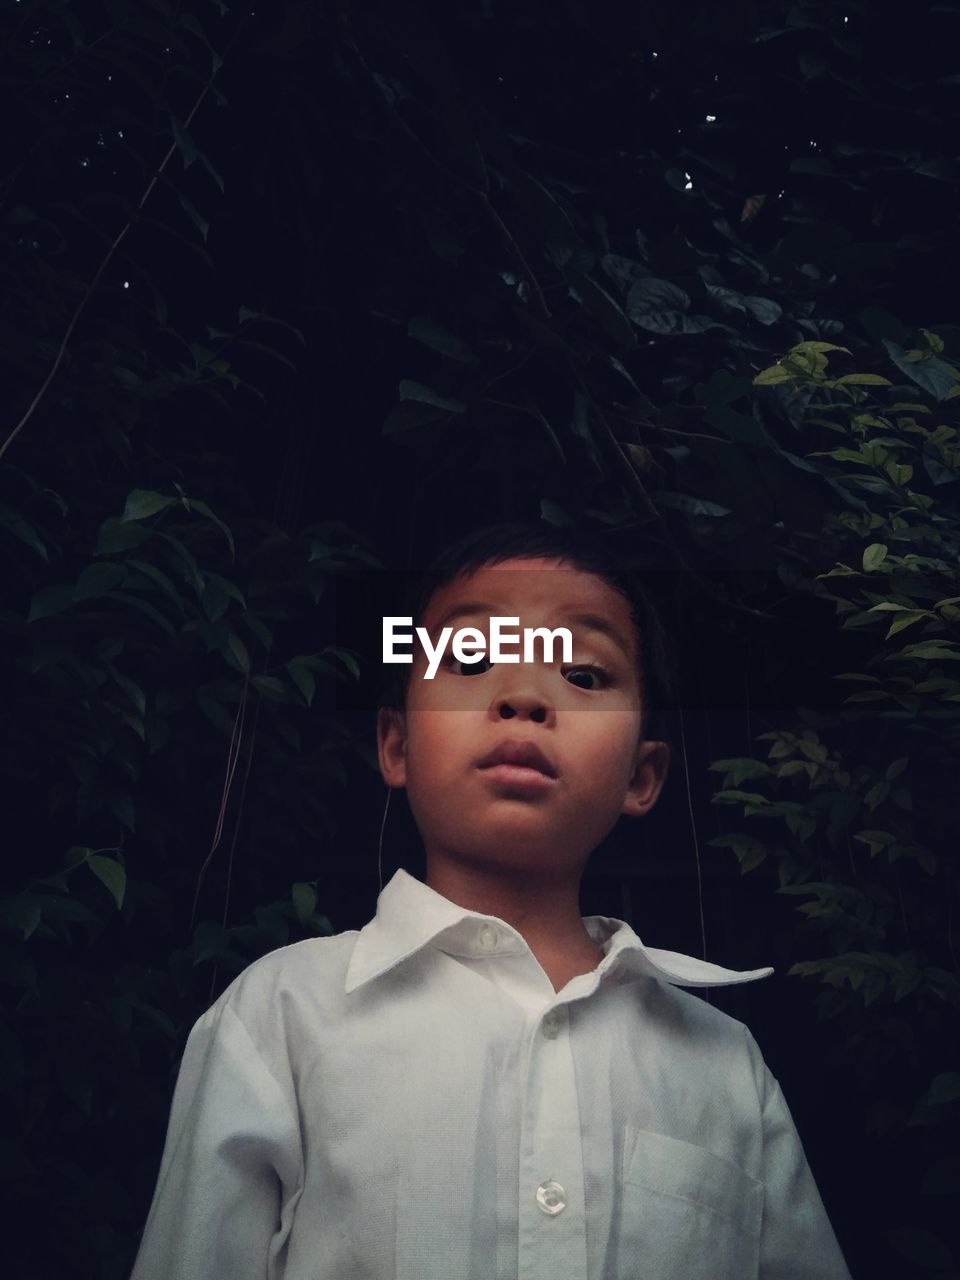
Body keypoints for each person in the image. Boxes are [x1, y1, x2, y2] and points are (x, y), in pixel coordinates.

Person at [130, 521, 853, 1280]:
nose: (523, 696)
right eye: (471, 659)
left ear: (642, 776)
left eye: (581, 674)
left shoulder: (723, 1063)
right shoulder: (282, 1014)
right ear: (397, 745)